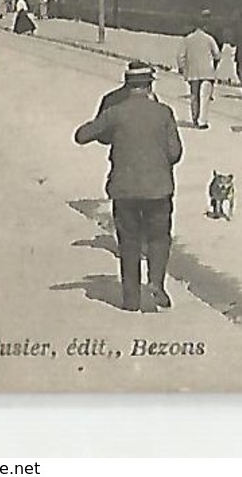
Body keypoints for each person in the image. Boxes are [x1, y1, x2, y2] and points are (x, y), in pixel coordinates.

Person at [74, 62, 183, 311]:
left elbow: (82, 136)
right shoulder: (164, 112)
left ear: (128, 86)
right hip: (158, 189)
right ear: (149, 85)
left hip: (124, 190)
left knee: (129, 241)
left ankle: (131, 299)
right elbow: (175, 153)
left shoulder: (116, 112)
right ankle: (155, 282)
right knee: (158, 237)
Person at [177, 11, 222, 130]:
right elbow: (217, 54)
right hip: (207, 72)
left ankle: (194, 118)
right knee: (205, 96)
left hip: (192, 72)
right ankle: (202, 121)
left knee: (194, 96)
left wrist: (182, 68)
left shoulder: (187, 39)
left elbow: (181, 56)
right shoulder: (209, 38)